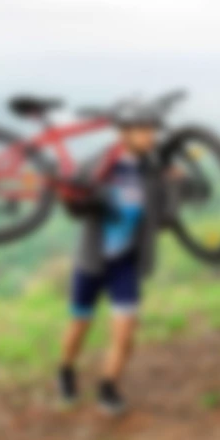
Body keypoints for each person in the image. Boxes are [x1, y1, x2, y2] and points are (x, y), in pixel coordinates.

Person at [57, 97, 168, 415]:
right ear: (126, 133)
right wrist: (76, 199)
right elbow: (72, 200)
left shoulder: (152, 172)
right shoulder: (98, 164)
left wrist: (177, 188)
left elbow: (162, 213)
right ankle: (66, 368)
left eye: (152, 130)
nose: (150, 137)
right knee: (80, 323)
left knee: (126, 330)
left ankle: (108, 387)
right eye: (144, 130)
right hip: (92, 260)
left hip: (126, 262)